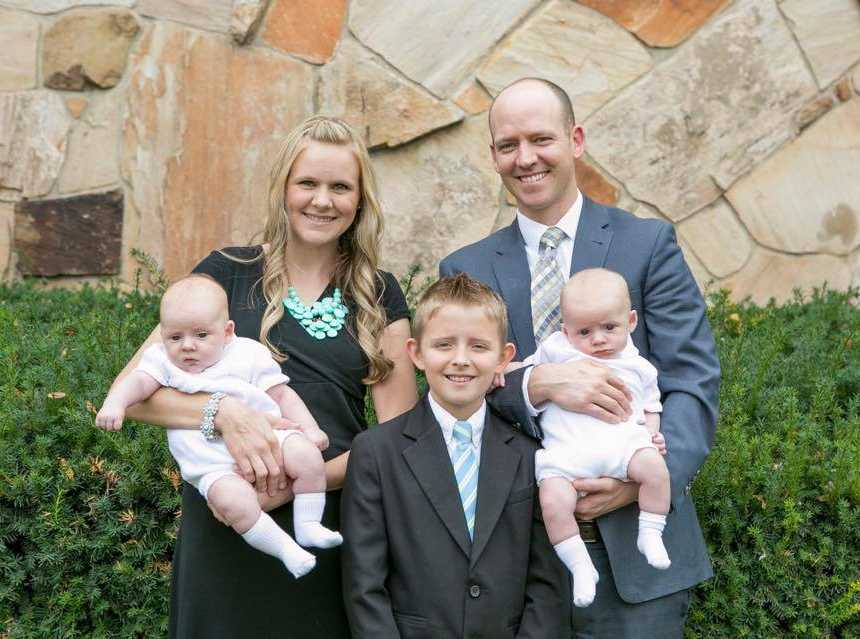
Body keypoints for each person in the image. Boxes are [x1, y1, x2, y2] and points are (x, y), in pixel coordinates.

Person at [111, 115, 418, 638]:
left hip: (329, 518)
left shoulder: (378, 293)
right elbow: (138, 393)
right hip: (226, 515)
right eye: (308, 183)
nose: (322, 200)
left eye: (340, 187)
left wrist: (302, 481)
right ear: (284, 189)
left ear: (360, 200)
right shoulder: (226, 273)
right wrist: (222, 413)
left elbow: (402, 433)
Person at [440, 78, 720, 637]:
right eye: (507, 145)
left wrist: (642, 483)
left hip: (637, 557)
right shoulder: (465, 269)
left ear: (576, 140)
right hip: (513, 556)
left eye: (541, 139)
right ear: (493, 155)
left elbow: (692, 381)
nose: (526, 159)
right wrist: (539, 384)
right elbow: (457, 391)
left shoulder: (648, 244)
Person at [342, 274, 570, 638]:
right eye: (444, 345)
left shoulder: (531, 452)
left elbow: (547, 583)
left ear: (503, 358)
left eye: (478, 347)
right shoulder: (376, 452)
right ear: (415, 353)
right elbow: (365, 584)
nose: (460, 360)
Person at [96, 274, 342, 579]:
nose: (187, 346)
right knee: (234, 504)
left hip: (270, 437)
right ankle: (286, 550)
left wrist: (309, 428)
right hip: (212, 465)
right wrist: (115, 403)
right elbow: (135, 384)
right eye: (175, 337)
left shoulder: (247, 353)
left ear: (227, 332)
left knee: (307, 457)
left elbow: (281, 394)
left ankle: (308, 526)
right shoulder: (162, 361)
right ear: (163, 335)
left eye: (201, 335)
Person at [506, 269, 671, 608]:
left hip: (623, 447)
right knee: (553, 500)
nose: (597, 339)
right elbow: (522, 371)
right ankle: (580, 565)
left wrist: (652, 435)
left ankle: (651, 531)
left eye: (609, 328)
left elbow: (651, 406)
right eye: (584, 331)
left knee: (655, 471)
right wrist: (505, 370)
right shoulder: (556, 349)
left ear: (630, 321)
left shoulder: (640, 366)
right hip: (568, 453)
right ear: (566, 331)